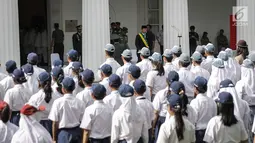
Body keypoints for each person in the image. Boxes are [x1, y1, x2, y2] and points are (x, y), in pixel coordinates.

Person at [48, 77, 85, 143]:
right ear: (73, 88)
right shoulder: (80, 102)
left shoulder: (58, 102)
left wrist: (54, 139)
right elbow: (83, 122)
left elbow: (54, 123)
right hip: (77, 132)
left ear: (63, 89)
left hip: (63, 134)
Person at [152, 71, 179, 142]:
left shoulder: (160, 93)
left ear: (167, 81)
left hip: (162, 120)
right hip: (178, 120)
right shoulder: (180, 96)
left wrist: (153, 127)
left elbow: (156, 112)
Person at [190, 76, 217, 143]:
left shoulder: (195, 102)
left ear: (196, 89)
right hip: (210, 132)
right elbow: (214, 117)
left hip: (198, 133)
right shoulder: (212, 101)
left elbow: (193, 120)